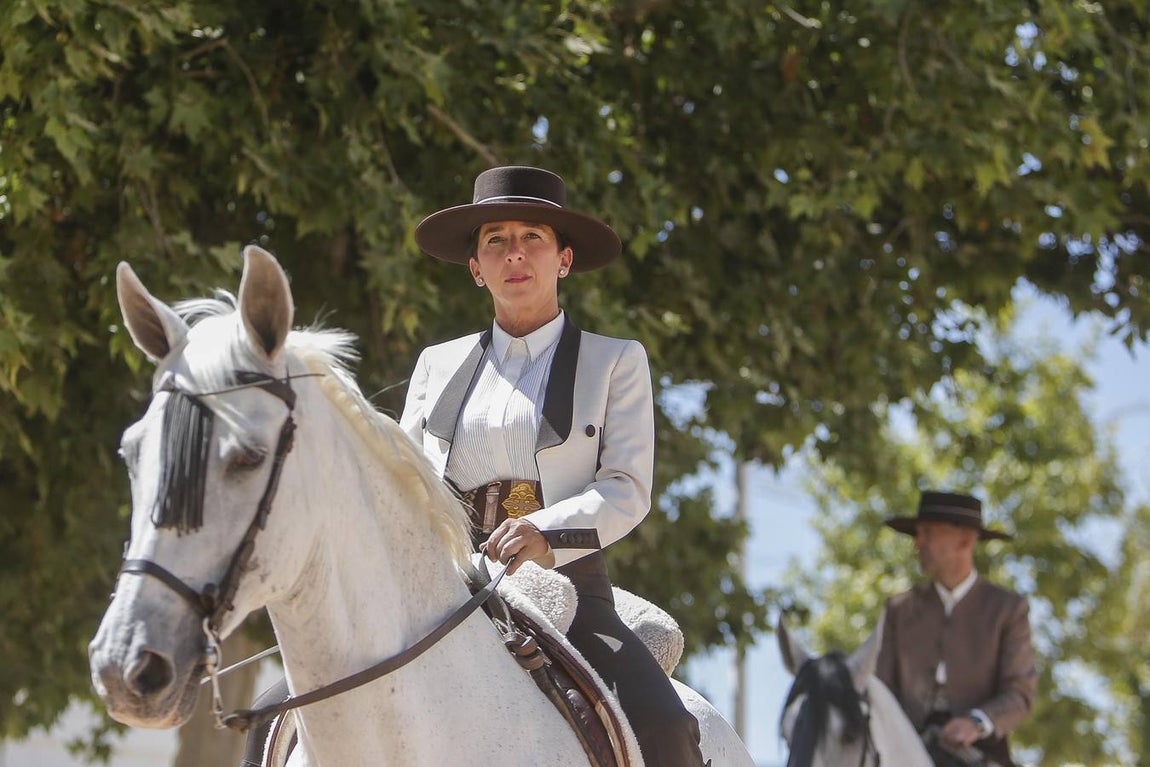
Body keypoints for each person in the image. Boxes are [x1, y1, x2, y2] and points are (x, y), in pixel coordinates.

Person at [398, 165, 705, 766]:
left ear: (563, 259)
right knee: (286, 706)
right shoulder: (436, 363)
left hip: (567, 589)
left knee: (667, 728)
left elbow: (626, 488)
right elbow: (407, 481)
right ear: (475, 268)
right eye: (495, 241)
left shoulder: (616, 362)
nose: (514, 254)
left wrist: (545, 532)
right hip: (442, 585)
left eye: (532, 237)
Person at [876, 490, 1038, 767]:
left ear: (964, 540)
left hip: (979, 753)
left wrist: (976, 723)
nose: (918, 543)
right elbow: (879, 687)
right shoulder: (899, 610)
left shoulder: (1007, 609)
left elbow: (1019, 694)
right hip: (901, 748)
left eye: (927, 533)